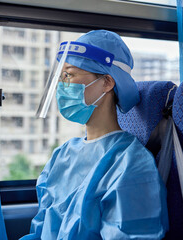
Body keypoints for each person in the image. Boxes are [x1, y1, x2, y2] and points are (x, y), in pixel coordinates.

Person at [21, 30, 169, 239]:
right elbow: (40, 229)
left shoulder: (131, 164)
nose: (62, 86)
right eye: (61, 76)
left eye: (69, 74)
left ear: (107, 83)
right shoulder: (62, 154)